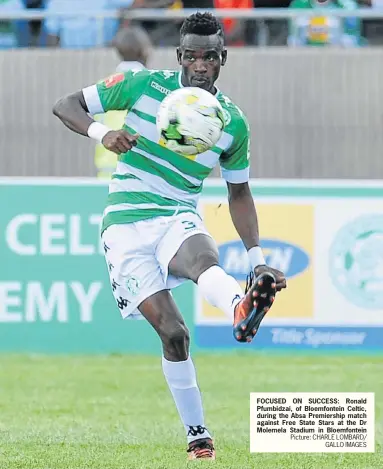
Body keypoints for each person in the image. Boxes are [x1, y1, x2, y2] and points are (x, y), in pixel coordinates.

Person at [53, 12, 287, 460]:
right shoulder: (143, 86)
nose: (201, 66)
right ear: (180, 55)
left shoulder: (231, 123)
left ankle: (242, 307)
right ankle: (197, 434)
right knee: (175, 334)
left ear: (224, 58)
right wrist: (103, 133)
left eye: (211, 57)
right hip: (124, 224)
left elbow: (238, 192)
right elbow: (65, 104)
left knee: (202, 257)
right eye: (193, 56)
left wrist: (257, 257)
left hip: (177, 212)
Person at [94, 25, 152, 179]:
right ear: (145, 51)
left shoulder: (103, 85)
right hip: (140, 173)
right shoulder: (152, 86)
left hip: (106, 172)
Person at [288, 0, 362, 47]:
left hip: (338, 58)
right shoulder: (298, 4)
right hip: (307, 58)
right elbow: (294, 39)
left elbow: (352, 40)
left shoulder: (348, 5)